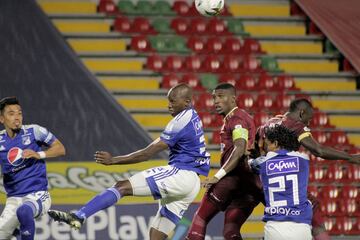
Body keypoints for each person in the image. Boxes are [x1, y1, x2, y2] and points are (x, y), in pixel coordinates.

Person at [48, 83, 210, 240]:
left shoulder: (180, 121)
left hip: (181, 174)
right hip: (192, 184)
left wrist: (113, 160)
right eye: (168, 101)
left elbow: (146, 154)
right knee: (156, 235)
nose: (168, 105)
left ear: (187, 102)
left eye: (173, 101)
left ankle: (79, 215)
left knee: (121, 187)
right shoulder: (192, 115)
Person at [256, 98, 360, 240]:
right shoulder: (296, 126)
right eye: (308, 119)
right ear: (301, 113)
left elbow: (255, 148)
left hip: (263, 180)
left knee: (274, 221)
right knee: (313, 206)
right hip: (282, 182)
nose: (308, 123)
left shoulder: (269, 123)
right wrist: (351, 157)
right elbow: (318, 150)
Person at [186, 83, 262, 240]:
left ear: (233, 99)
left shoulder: (237, 118)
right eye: (214, 97)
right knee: (231, 230)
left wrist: (218, 176)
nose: (216, 101)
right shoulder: (240, 118)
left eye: (221, 96)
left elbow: (239, 148)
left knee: (200, 218)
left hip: (233, 178)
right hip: (251, 183)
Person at [0, 96, 66, 240]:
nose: (17, 117)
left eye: (19, 113)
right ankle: (15, 234)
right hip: (13, 199)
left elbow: (60, 149)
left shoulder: (34, 131)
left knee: (24, 211)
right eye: (11, 114)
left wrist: (39, 154)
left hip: (38, 194)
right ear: (2, 119)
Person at [249, 124, 312, 240]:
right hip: (302, 227)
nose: (265, 147)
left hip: (275, 227)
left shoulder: (262, 163)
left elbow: (252, 163)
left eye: (267, 144)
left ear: (276, 144)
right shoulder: (303, 159)